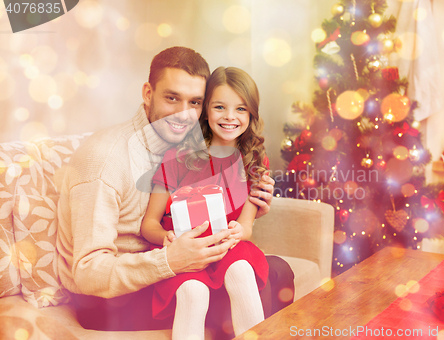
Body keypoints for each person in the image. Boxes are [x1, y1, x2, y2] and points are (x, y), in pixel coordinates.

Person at [56, 46, 294, 336]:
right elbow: (88, 273)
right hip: (110, 299)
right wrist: (170, 260)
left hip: (170, 264)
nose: (184, 114)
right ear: (147, 93)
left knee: (272, 270)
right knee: (272, 277)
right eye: (172, 98)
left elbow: (204, 200)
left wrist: (252, 206)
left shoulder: (186, 143)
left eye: (195, 102)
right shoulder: (105, 161)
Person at [141, 66, 269, 339]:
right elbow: (149, 224)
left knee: (242, 271)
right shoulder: (177, 156)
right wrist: (168, 238)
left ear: (252, 113)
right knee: (193, 292)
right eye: (220, 107)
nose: (230, 117)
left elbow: (246, 227)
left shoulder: (256, 160)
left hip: (226, 247)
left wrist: (239, 231)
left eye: (241, 109)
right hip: (185, 249)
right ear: (205, 110)